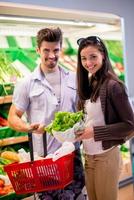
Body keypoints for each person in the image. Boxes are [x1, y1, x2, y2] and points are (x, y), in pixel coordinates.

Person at [8, 27, 85, 200]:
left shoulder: (74, 78)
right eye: (46, 50)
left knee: (79, 196)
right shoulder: (26, 83)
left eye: (56, 50)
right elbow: (13, 117)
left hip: (72, 156)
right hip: (44, 161)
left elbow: (83, 111)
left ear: (61, 48)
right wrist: (28, 127)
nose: (52, 55)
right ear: (38, 50)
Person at [75, 36, 134, 200]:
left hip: (106, 157)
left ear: (103, 55)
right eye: (84, 58)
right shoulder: (90, 82)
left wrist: (94, 132)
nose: (88, 63)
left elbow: (130, 126)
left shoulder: (114, 86)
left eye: (93, 57)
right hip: (89, 156)